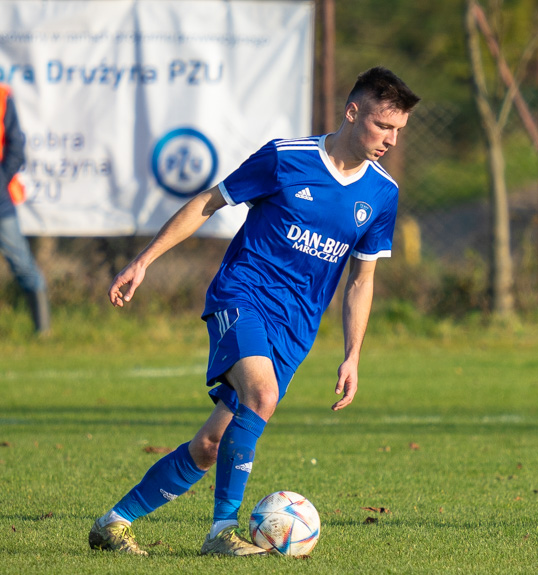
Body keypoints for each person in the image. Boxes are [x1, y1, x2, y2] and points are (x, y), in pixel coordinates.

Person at [88, 67, 420, 555]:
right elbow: (208, 202)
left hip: (295, 330)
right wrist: (144, 260)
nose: (391, 139)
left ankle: (112, 524)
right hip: (242, 296)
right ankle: (222, 532)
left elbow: (361, 278)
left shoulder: (381, 193)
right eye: (383, 126)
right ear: (353, 112)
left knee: (211, 445)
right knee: (261, 395)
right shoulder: (287, 158)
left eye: (398, 131)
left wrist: (352, 355)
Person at [0, 83, 50, 335]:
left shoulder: (2, 98)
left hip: (0, 204)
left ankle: (42, 332)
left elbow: (16, 149)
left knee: (22, 264)